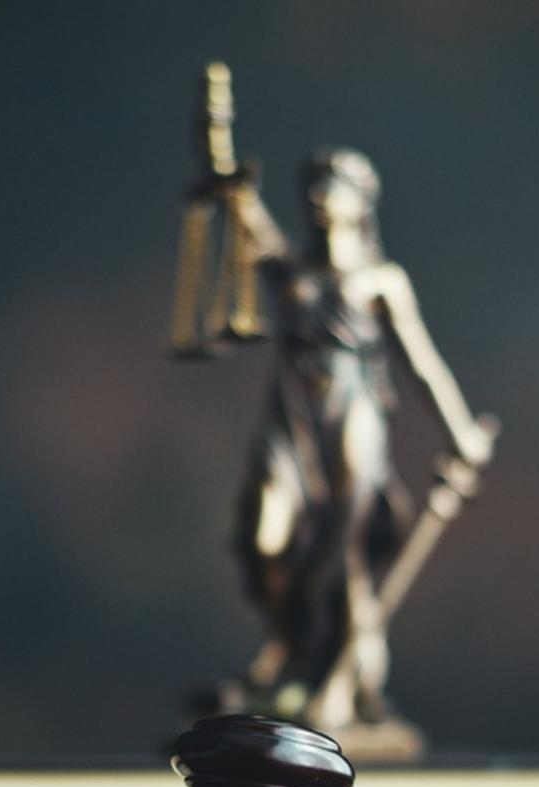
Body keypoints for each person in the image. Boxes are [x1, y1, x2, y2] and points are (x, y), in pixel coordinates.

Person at [202, 145, 495, 754]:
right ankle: (287, 647)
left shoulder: (381, 281)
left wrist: (460, 432)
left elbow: (422, 361)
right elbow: (244, 213)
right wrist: (221, 154)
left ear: (361, 202)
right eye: (314, 185)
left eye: (333, 186)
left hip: (352, 415)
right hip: (292, 419)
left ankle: (337, 677)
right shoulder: (292, 270)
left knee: (343, 558)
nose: (319, 196)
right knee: (264, 537)